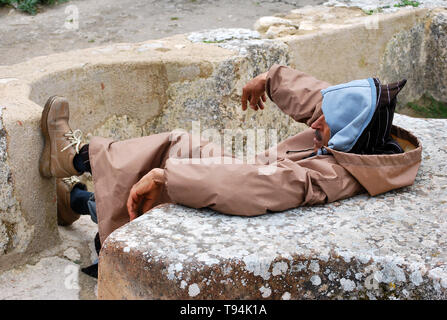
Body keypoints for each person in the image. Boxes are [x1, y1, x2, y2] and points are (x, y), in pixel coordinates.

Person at [39, 64, 422, 277]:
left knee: (172, 177)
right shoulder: (363, 134)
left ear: (348, 135)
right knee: (182, 146)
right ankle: (74, 186)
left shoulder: (332, 176)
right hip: (251, 171)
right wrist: (271, 81)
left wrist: (170, 178)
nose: (316, 120)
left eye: (326, 122)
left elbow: (257, 185)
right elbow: (319, 100)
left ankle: (75, 183)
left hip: (247, 207)